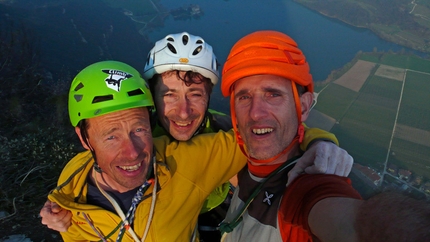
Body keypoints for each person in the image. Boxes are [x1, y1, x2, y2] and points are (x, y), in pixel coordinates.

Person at [40, 33, 353, 239]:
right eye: (169, 95)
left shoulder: (212, 143)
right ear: (151, 99)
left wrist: (319, 142)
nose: (184, 112)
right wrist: (59, 211)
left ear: (209, 99)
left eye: (195, 95)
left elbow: (268, 132)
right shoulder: (93, 164)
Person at [218, 30, 430, 242]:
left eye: (273, 94)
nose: (256, 112)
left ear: (304, 106)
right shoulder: (240, 160)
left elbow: (358, 225)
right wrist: (319, 139)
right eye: (244, 96)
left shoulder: (304, 188)